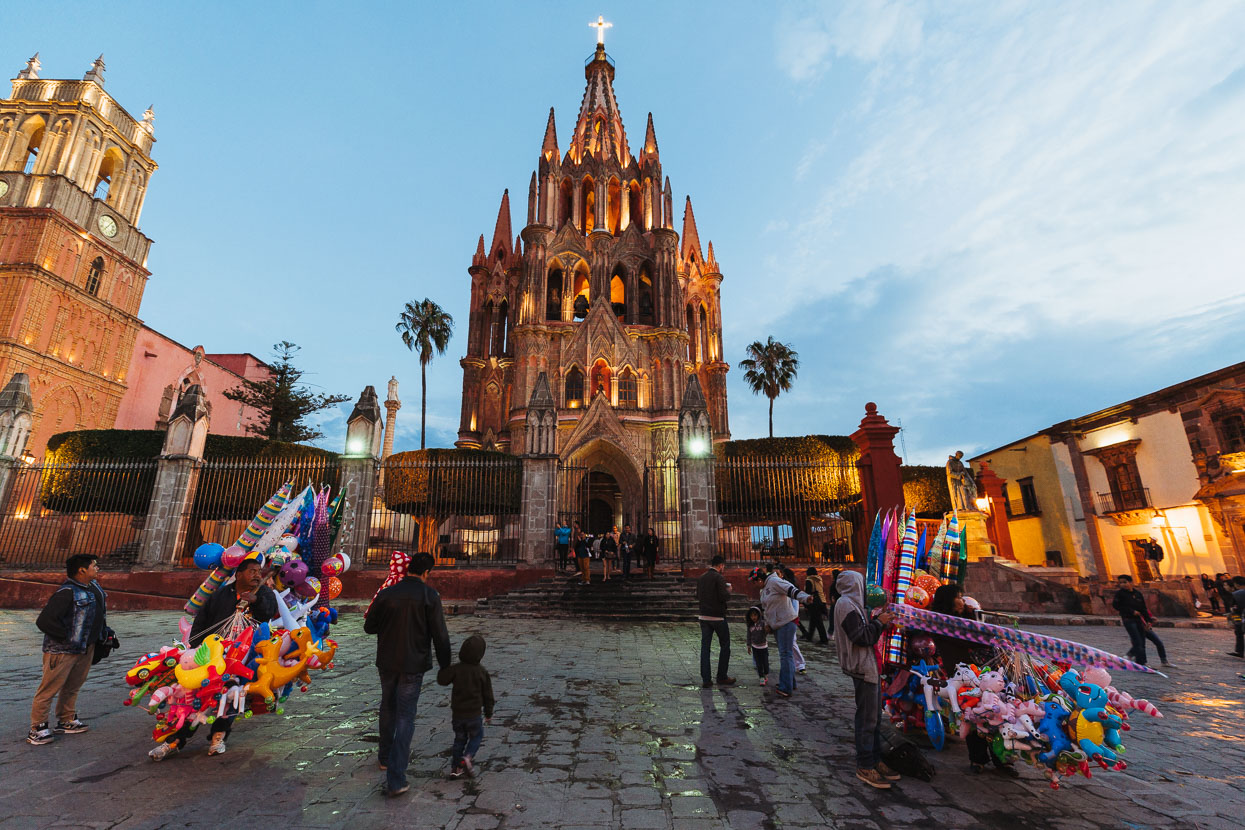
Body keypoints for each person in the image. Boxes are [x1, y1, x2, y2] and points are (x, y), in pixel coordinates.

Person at [149, 552, 280, 760]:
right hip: (211, 654)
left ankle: (218, 737)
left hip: (242, 657)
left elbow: (268, 614)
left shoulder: (265, 593)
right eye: (252, 571)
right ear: (239, 574)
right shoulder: (221, 594)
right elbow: (202, 619)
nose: (257, 575)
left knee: (228, 698)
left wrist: (255, 600)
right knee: (193, 698)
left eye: (259, 571)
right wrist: (194, 647)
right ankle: (174, 741)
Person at [363, 552, 452, 797]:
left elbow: (369, 626)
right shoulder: (429, 596)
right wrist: (446, 666)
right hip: (413, 664)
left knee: (387, 706)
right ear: (427, 573)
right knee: (405, 716)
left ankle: (384, 757)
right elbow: (440, 636)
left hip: (387, 661)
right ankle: (396, 777)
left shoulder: (386, 593)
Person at [928, 584, 1019, 778]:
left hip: (985, 674)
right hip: (964, 676)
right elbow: (975, 638)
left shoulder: (962, 619)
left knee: (997, 715)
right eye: (959, 596)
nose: (963, 600)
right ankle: (978, 758)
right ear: (949, 600)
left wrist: (973, 615)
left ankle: (1003, 758)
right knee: (973, 716)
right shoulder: (943, 623)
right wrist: (972, 618)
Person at [29, 554, 109, 746]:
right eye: (94, 566)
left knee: (73, 685)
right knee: (48, 689)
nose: (97, 569)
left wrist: (105, 634)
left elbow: (99, 615)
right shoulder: (67, 592)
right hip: (62, 650)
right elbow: (44, 621)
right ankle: (37, 727)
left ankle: (66, 719)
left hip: (85, 648)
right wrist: (69, 637)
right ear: (82, 570)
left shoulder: (94, 588)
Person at [833, 570, 900, 789]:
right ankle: (865, 764)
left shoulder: (854, 605)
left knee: (874, 718)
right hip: (862, 667)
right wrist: (878, 623)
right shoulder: (845, 604)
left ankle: (875, 759)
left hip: (868, 666)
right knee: (867, 719)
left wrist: (881, 624)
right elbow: (862, 637)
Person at [437, 634, 495, 779]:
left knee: (459, 739)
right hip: (474, 714)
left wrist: (444, 666)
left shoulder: (456, 669)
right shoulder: (482, 672)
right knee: (477, 735)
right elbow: (488, 695)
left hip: (458, 714)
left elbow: (442, 680)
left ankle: (456, 768)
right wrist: (488, 713)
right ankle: (468, 757)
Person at [757, 566, 809, 699]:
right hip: (777, 624)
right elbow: (767, 608)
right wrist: (768, 624)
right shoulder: (764, 590)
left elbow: (791, 590)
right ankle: (790, 682)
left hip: (786, 621)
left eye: (756, 581)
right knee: (787, 654)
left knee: (786, 654)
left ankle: (786, 687)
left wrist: (805, 598)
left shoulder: (775, 582)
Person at [1112, 575, 1171, 668]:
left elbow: (1143, 608)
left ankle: (1140, 660)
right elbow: (1116, 606)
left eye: (1125, 582)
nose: (1123, 584)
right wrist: (1131, 611)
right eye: (1121, 583)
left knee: (1143, 642)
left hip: (1140, 620)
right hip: (1129, 620)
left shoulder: (1138, 594)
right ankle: (1141, 663)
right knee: (1137, 641)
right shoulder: (1120, 594)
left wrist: (1148, 621)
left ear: (1131, 582)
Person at [697, 555, 735, 688]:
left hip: (704, 616)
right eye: (723, 566)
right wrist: (728, 591)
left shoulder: (701, 578)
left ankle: (706, 679)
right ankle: (722, 676)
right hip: (718, 617)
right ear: (720, 565)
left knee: (705, 648)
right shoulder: (719, 578)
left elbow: (698, 596)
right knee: (725, 645)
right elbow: (723, 596)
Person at [782, 567, 808, 674]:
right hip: (783, 618)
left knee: (792, 642)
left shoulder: (790, 588)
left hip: (791, 618)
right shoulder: (782, 586)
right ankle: (793, 664)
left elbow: (795, 604)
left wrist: (793, 617)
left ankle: (800, 664)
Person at [802, 567, 830, 645]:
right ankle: (809, 636)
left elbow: (808, 592)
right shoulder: (819, 579)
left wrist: (806, 604)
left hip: (814, 602)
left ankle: (824, 639)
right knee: (814, 620)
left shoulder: (809, 580)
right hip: (822, 600)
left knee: (818, 621)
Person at [745, 605, 770, 686]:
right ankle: (761, 677)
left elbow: (766, 631)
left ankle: (766, 673)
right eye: (751, 615)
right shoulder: (750, 626)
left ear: (759, 615)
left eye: (755, 615)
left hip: (763, 647)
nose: (753, 617)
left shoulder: (762, 623)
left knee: (765, 663)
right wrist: (749, 646)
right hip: (755, 647)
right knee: (758, 664)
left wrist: (767, 629)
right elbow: (748, 636)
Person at [1227, 576, 1245, 658]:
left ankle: (1240, 651)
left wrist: (1235, 620)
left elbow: (1234, 608)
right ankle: (1239, 651)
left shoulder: (1237, 594)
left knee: (1239, 632)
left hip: (1240, 617)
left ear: (1236, 584)